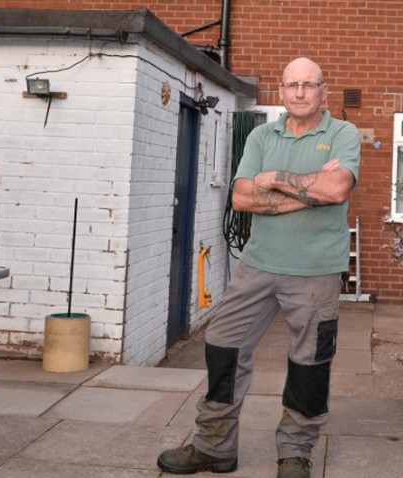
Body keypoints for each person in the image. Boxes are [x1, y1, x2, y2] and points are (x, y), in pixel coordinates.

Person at [158, 57, 360, 478]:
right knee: (223, 346)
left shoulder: (342, 133)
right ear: (281, 92)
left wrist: (274, 179)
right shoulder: (261, 135)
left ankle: (294, 454)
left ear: (324, 91)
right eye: (292, 85)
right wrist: (309, 189)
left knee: (309, 364)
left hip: (315, 271)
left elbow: (337, 189)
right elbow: (242, 199)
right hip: (256, 265)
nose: (300, 92)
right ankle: (214, 447)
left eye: (309, 84)